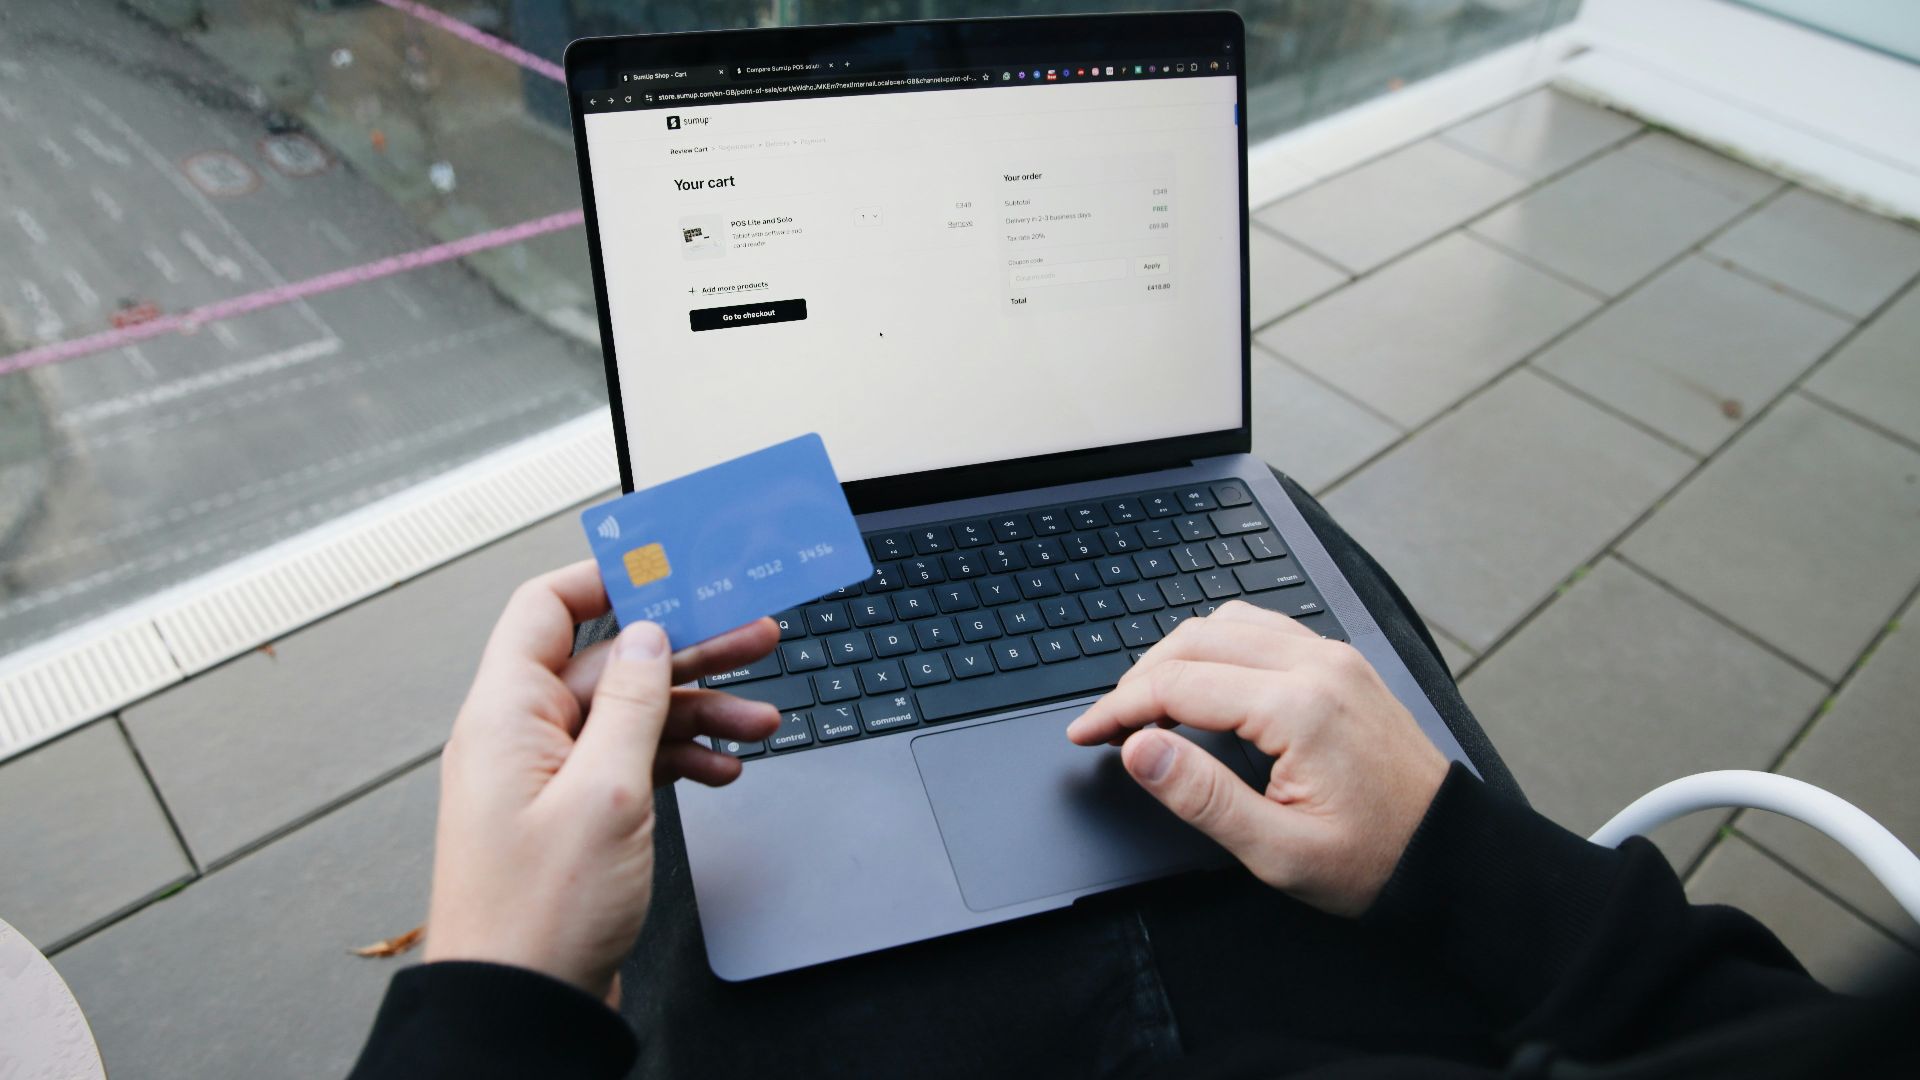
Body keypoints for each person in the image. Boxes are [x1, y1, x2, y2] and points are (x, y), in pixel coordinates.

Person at [349, 477, 1913, 1079]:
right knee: (1270, 522)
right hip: (1446, 971)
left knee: (708, 719)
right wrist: (1445, 852)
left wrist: (497, 987)